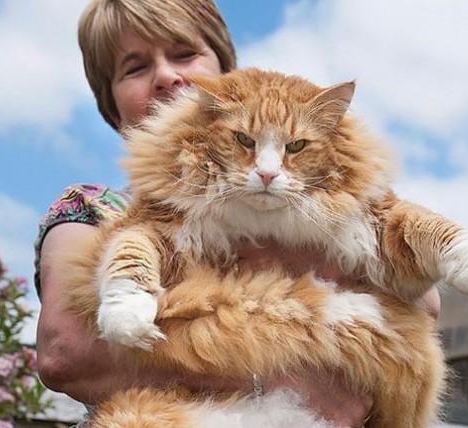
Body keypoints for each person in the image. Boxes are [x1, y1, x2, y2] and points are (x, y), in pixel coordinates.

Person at [34, 0, 441, 426]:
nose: (167, 75)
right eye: (134, 68)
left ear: (227, 69)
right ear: (110, 104)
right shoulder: (91, 207)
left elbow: (424, 303)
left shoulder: (305, 186)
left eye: (184, 53)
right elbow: (66, 353)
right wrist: (280, 385)